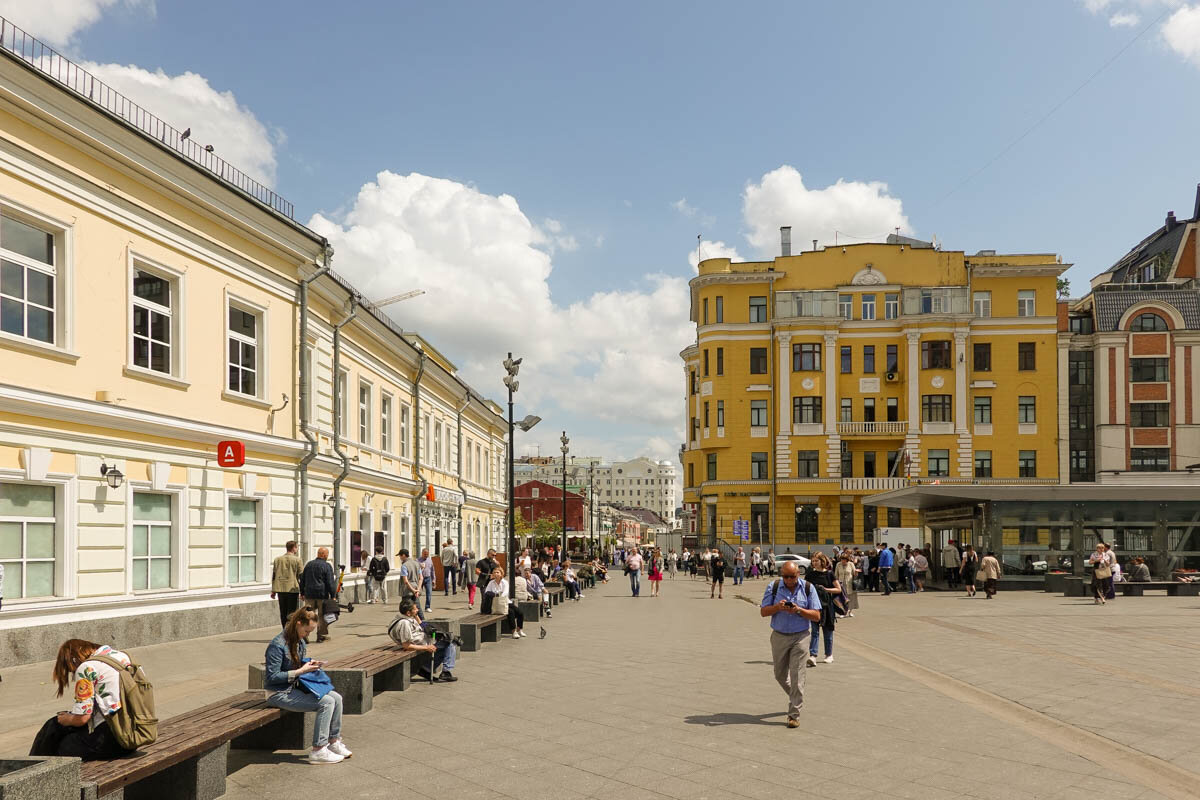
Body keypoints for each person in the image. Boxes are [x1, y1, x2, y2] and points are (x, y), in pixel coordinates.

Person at [262, 607, 350, 763]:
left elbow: (297, 665)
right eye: (307, 631)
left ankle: (334, 741)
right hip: (277, 692)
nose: (307, 635)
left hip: (294, 688)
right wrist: (300, 671)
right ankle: (318, 750)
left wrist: (309, 664)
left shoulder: (299, 641)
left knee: (336, 697)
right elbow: (272, 677)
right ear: (298, 624)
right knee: (327, 702)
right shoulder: (277, 645)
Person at [29, 640, 140, 760]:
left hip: (113, 739)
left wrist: (67, 719)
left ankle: (32, 771)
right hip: (134, 733)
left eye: (71, 670)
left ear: (73, 660)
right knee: (54, 725)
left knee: (61, 743)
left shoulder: (87, 667)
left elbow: (82, 719)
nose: (73, 672)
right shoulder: (122, 656)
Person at [760, 562, 822, 729]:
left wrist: (798, 610)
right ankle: (796, 696)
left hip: (800, 636)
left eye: (792, 577)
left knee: (797, 676)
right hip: (779, 636)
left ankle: (794, 714)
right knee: (780, 674)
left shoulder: (808, 588)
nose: (788, 580)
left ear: (798, 574)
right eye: (785, 576)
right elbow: (763, 612)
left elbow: (816, 616)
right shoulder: (774, 586)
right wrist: (777, 607)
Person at [390, 598, 458, 681]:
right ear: (408, 613)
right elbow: (406, 645)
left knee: (450, 640)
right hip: (420, 644)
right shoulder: (405, 623)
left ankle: (427, 669)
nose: (417, 610)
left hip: (423, 638)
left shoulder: (406, 617)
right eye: (415, 609)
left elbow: (422, 625)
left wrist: (416, 616)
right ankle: (445, 672)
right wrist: (427, 648)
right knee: (450, 643)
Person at [804, 553, 841, 665]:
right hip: (814, 606)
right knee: (814, 631)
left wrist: (826, 589)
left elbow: (838, 589)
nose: (814, 563)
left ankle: (829, 654)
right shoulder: (810, 574)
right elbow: (805, 588)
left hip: (827, 606)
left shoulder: (829, 574)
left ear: (822, 561)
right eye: (813, 561)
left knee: (827, 631)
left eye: (816, 561)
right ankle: (813, 655)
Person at [300, 547, 337, 642]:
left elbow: (302, 579)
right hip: (322, 595)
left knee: (308, 615)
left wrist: (302, 592)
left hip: (309, 594)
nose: (327, 556)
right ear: (323, 555)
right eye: (327, 555)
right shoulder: (327, 566)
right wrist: (333, 595)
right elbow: (330, 582)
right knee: (322, 616)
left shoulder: (309, 564)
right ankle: (321, 636)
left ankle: (304, 635)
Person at [484, 566, 526, 638]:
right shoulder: (491, 583)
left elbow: (505, 593)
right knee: (510, 612)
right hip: (496, 603)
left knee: (520, 612)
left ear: (501, 574)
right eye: (494, 572)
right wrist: (496, 595)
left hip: (505, 601)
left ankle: (519, 629)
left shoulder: (505, 582)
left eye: (497, 572)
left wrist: (499, 596)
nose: (496, 574)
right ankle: (513, 631)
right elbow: (487, 592)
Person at [270, 540, 303, 627]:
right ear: (294, 548)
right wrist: (303, 591)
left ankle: (284, 630)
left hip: (280, 589)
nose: (297, 549)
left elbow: (274, 575)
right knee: (292, 613)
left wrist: (273, 590)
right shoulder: (297, 560)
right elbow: (301, 576)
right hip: (292, 589)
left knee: (283, 612)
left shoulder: (277, 559)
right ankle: (291, 631)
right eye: (297, 547)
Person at [834, 552, 858, 618]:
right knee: (842, 598)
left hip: (850, 583)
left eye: (844, 560)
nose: (843, 561)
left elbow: (854, 574)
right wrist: (835, 583)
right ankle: (843, 612)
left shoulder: (851, 564)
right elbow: (836, 575)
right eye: (842, 559)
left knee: (851, 598)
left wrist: (856, 573)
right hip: (841, 584)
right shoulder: (838, 564)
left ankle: (850, 611)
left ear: (847, 560)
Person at [418, 548, 434, 612]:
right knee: (418, 593)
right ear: (422, 553)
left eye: (427, 554)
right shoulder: (417, 560)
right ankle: (417, 607)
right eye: (425, 554)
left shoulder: (430, 560)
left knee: (429, 593)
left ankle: (427, 607)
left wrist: (434, 579)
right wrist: (420, 567)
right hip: (420, 579)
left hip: (428, 578)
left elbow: (432, 570)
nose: (426, 555)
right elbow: (415, 569)